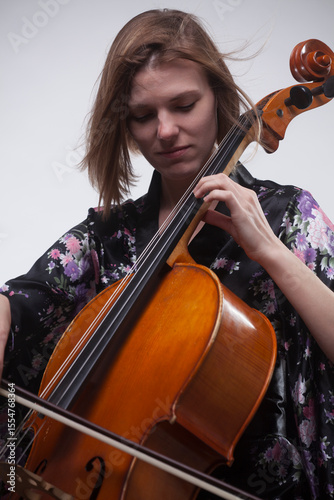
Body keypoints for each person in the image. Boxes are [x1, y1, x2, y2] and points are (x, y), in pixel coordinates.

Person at [0, 8, 333, 500]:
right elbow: (21, 305)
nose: (166, 130)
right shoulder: (106, 238)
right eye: (143, 115)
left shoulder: (288, 216)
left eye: (184, 105)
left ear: (217, 99)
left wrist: (271, 253)